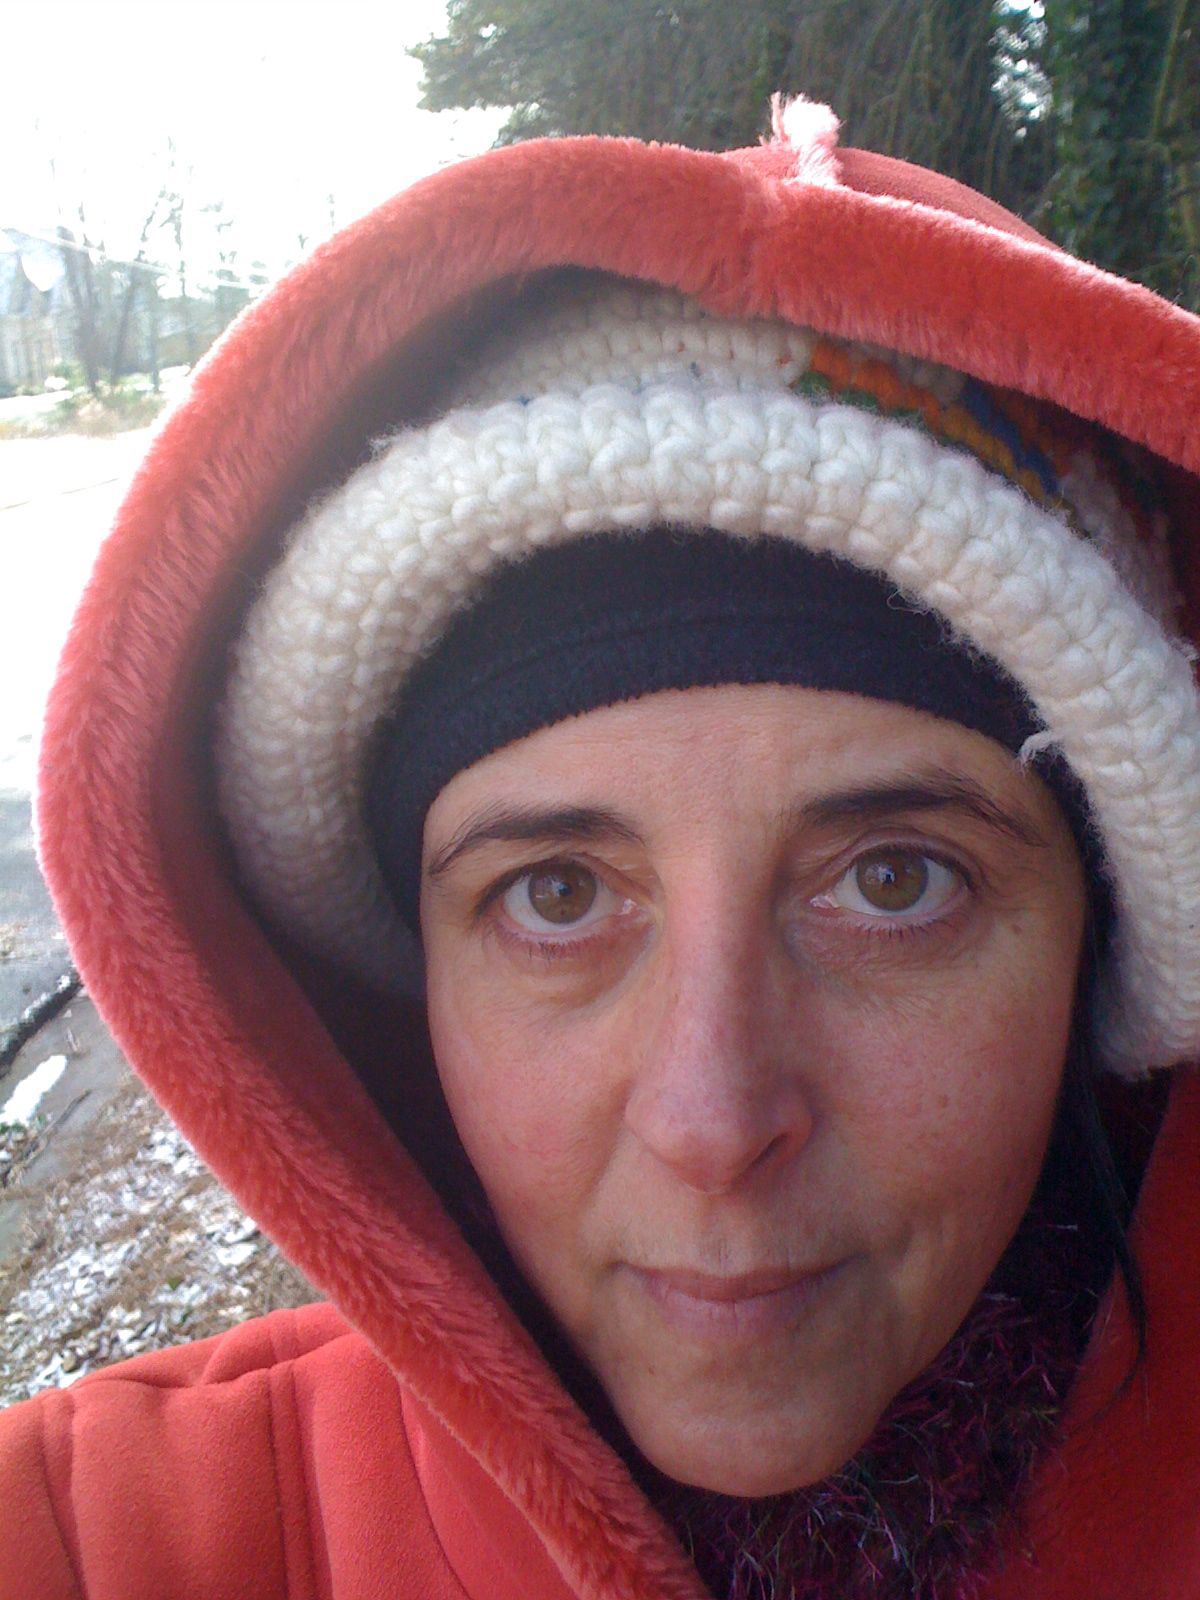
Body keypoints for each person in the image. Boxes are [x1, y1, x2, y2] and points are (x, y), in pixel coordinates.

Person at [2, 95, 1200, 1599]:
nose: (713, 1120)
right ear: (420, 980)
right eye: (557, 894)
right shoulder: (102, 1538)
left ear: (1097, 948)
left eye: (895, 880)